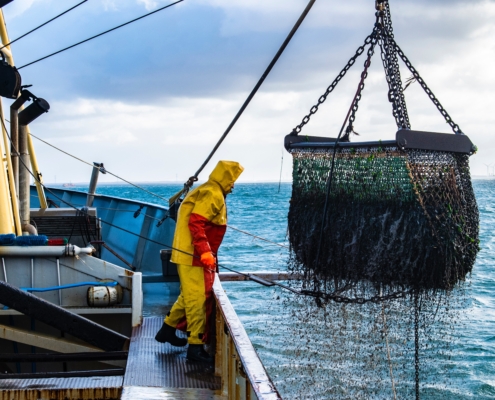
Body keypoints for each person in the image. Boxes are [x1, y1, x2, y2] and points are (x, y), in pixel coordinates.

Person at [155, 160, 244, 363]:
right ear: (225, 178)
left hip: (187, 253)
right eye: (232, 181)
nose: (233, 186)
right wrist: (204, 252)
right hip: (193, 255)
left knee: (189, 295)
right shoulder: (213, 193)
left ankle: (167, 329)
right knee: (197, 300)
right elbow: (196, 223)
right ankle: (195, 348)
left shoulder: (209, 189)